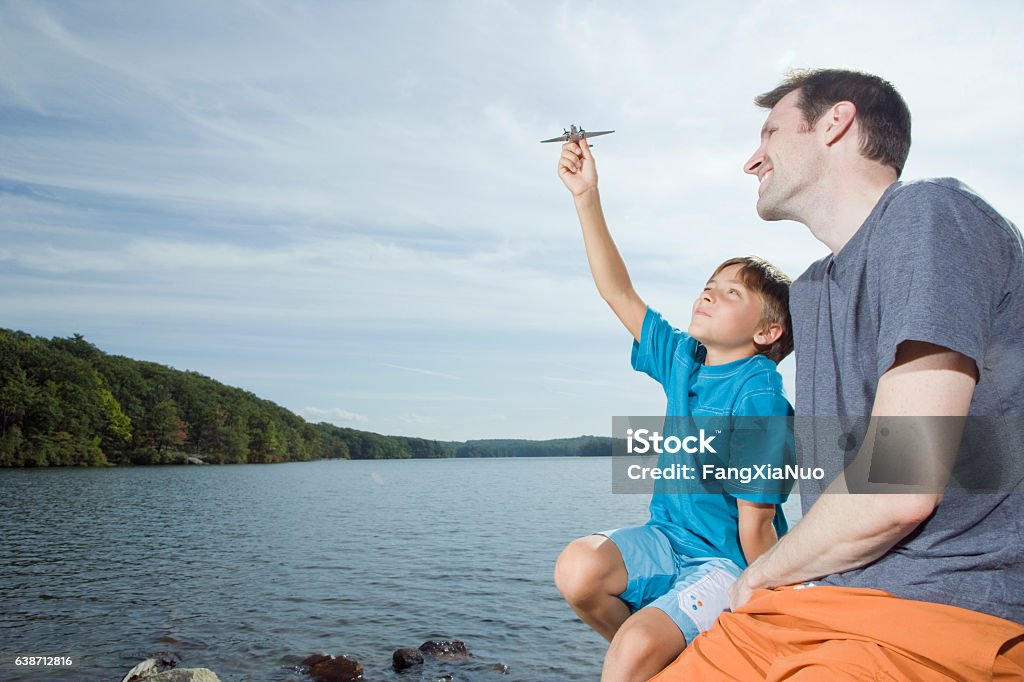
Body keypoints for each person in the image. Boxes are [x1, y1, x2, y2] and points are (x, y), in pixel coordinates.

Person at [652, 68, 1024, 680]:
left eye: (770, 133)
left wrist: (761, 574)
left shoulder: (929, 214)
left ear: (835, 122)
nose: (752, 160)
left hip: (941, 608)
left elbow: (898, 487)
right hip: (821, 601)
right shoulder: (813, 289)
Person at [551, 134, 796, 681]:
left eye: (731, 293)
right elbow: (619, 293)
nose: (708, 294)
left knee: (631, 653)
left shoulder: (760, 399)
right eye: (709, 286)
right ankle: (684, 661)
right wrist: (585, 196)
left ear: (767, 331)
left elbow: (757, 529)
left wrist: (775, 617)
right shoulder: (685, 358)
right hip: (665, 542)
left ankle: (672, 656)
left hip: (723, 561)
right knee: (577, 568)